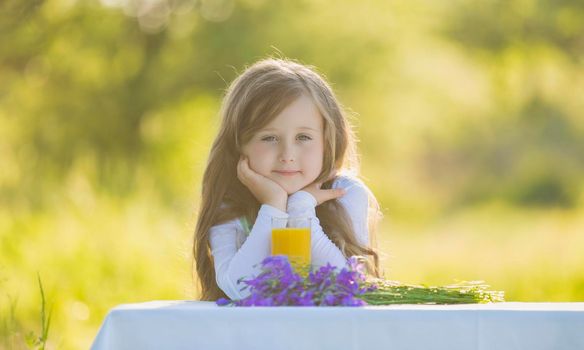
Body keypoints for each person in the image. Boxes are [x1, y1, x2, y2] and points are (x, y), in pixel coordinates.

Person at [193, 57, 383, 301]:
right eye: (269, 138)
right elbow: (238, 289)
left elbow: (344, 285)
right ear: (239, 144)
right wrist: (274, 205)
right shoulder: (230, 204)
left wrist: (300, 208)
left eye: (303, 137)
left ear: (328, 141)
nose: (287, 155)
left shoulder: (345, 193)